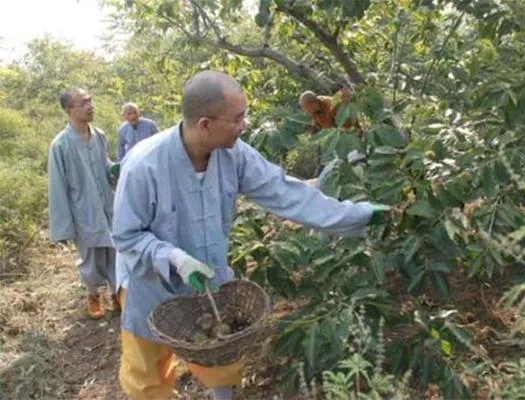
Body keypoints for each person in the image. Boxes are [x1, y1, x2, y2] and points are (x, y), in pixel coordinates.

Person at [112, 71, 390, 400]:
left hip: (208, 278)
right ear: (204, 125)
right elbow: (126, 237)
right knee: (146, 376)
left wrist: (356, 215)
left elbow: (287, 193)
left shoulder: (235, 154)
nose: (244, 125)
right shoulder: (144, 166)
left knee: (222, 361)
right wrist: (172, 257)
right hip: (149, 285)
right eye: (238, 118)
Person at [48, 88, 121, 319]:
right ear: (69, 111)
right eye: (84, 103)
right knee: (90, 257)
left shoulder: (99, 135)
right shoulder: (60, 145)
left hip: (106, 205)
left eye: (91, 100)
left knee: (114, 252)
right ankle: (93, 296)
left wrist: (114, 168)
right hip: (83, 210)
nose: (90, 106)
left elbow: (103, 163)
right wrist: (64, 226)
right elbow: (57, 187)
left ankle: (117, 294)